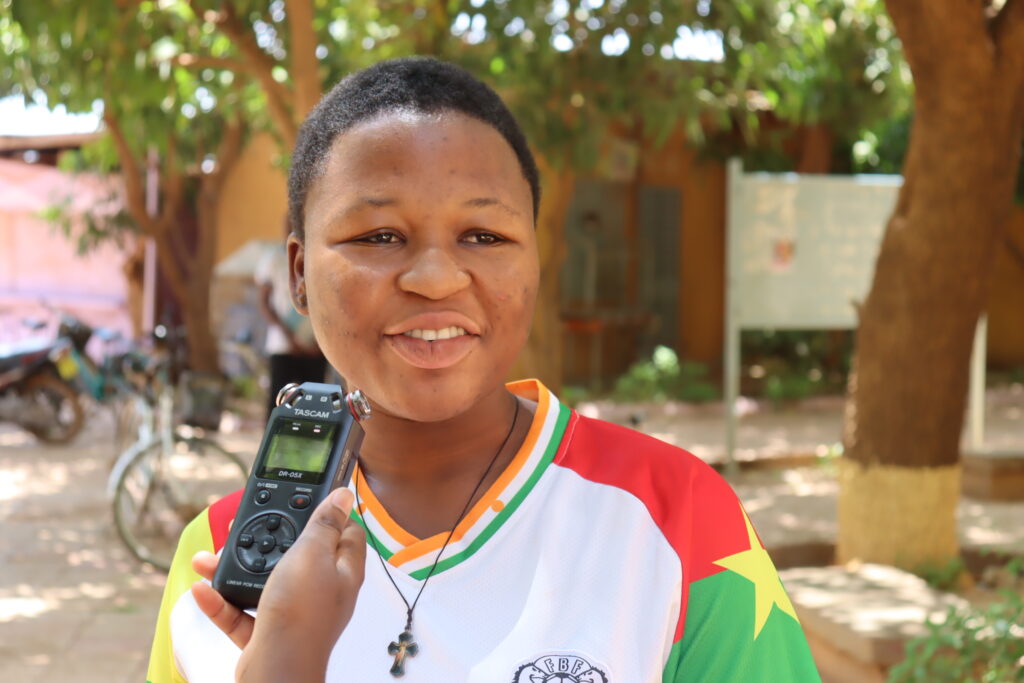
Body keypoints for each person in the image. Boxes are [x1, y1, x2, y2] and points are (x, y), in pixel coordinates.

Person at [146, 57, 821, 683]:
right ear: (299, 273)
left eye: (484, 236)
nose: (436, 278)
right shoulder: (218, 563)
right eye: (379, 236)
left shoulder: (678, 520)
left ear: (535, 261)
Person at [255, 217, 328, 419]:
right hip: (283, 345)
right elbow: (264, 302)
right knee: (278, 404)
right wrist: (289, 337)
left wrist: (321, 339)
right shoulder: (273, 259)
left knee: (314, 407)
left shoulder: (321, 257)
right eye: (290, 225)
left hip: (315, 345)